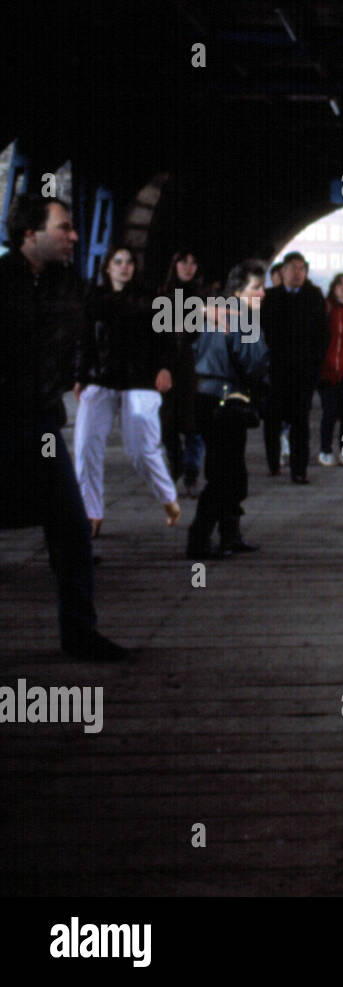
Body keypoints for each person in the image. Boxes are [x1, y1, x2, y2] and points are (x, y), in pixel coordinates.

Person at [0, 194, 130, 661]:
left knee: (72, 528)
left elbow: (105, 322)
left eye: (75, 228)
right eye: (64, 227)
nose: (74, 236)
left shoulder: (66, 284)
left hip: (41, 426)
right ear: (29, 233)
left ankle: (79, 634)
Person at [72, 244, 181, 537]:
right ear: (107, 266)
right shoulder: (92, 299)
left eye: (129, 262)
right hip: (101, 378)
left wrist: (165, 367)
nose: (124, 267)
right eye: (118, 262)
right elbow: (84, 340)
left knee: (141, 450)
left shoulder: (152, 298)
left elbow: (168, 338)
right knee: (85, 447)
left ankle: (168, 497)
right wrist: (81, 376)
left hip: (140, 380)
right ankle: (91, 513)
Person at [186, 261, 269, 559]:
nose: (262, 293)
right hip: (229, 398)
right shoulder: (243, 318)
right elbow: (254, 362)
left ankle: (229, 535)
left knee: (226, 468)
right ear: (238, 291)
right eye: (255, 288)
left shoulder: (213, 313)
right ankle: (200, 538)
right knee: (226, 474)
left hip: (205, 397)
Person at [261, 251, 327, 483]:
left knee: (300, 421)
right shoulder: (269, 297)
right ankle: (273, 463)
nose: (298, 273)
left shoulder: (314, 296)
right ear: (282, 271)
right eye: (293, 268)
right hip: (274, 370)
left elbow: (322, 334)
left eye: (302, 268)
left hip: (303, 370)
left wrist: (316, 364)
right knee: (272, 419)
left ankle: (299, 470)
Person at [159, 248, 206, 494]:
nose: (188, 267)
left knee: (194, 424)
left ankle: (190, 472)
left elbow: (201, 334)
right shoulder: (163, 296)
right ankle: (177, 467)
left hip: (194, 367)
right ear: (175, 265)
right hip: (168, 366)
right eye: (184, 262)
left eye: (193, 262)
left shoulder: (202, 297)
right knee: (168, 425)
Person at [318, 273, 343, 466]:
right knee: (329, 413)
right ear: (333, 287)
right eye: (340, 284)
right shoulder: (326, 309)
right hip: (327, 372)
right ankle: (325, 450)